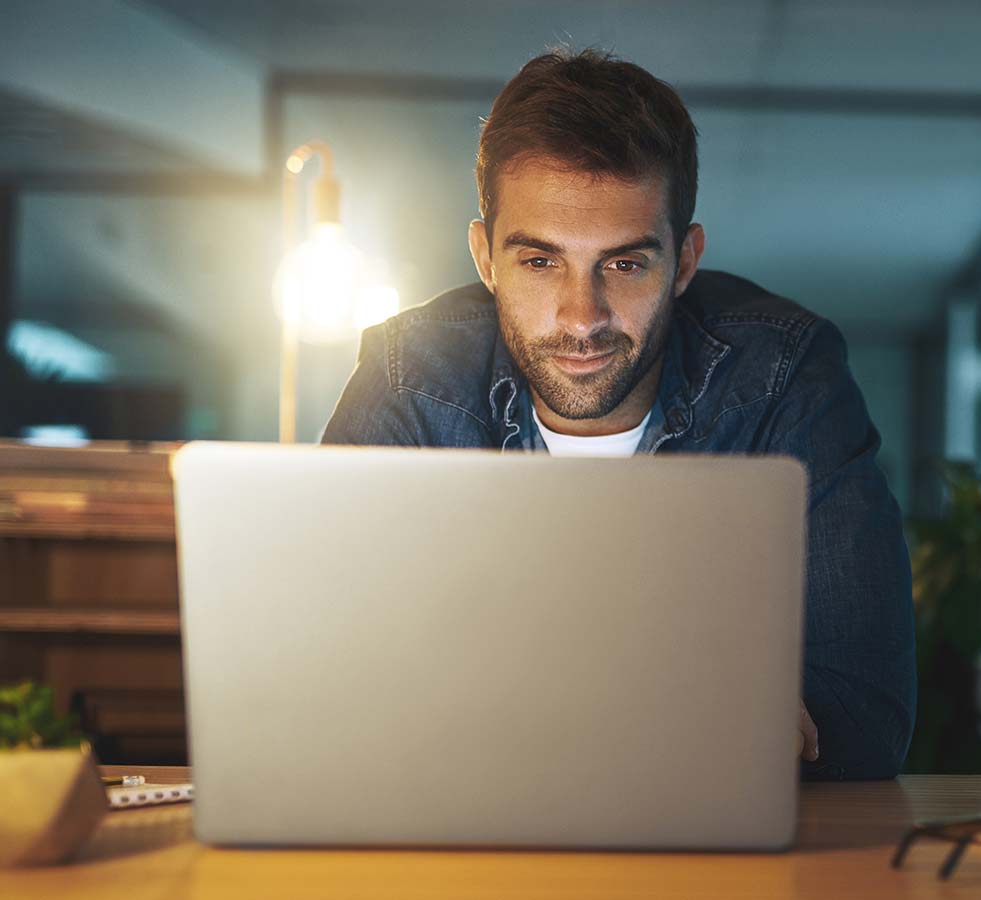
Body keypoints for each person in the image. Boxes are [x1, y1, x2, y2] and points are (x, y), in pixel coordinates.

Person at [322, 47, 915, 780]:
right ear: (484, 258)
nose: (582, 317)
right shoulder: (409, 374)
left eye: (625, 264)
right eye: (540, 262)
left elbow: (864, 717)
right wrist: (697, 710)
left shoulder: (785, 376)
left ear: (685, 263)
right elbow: (318, 675)